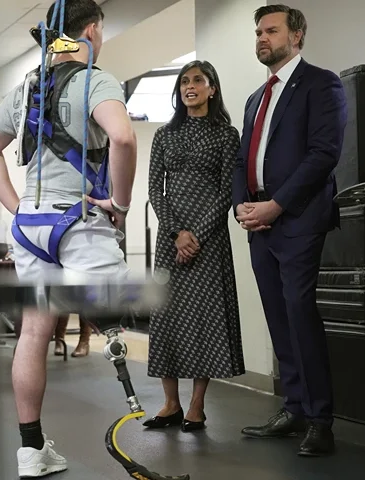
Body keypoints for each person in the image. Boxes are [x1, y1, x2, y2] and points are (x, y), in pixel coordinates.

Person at [0, 1, 137, 476]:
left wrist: (16, 207)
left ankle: (31, 451)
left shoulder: (26, 88)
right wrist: (122, 207)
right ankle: (154, 413)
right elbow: (123, 138)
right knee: (123, 308)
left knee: (34, 331)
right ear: (91, 30)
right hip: (79, 222)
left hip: (30, 229)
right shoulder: (96, 78)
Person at [233, 4, 347, 457]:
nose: (261, 37)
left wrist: (276, 206)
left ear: (296, 36)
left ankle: (321, 420)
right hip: (259, 225)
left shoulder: (322, 84)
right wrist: (243, 204)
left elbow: (323, 154)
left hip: (297, 220)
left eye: (271, 30)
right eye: (258, 31)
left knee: (300, 314)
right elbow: (245, 157)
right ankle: (294, 407)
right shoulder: (254, 99)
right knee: (278, 318)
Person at [143, 60, 244, 433]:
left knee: (206, 319)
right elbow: (156, 189)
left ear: (212, 88)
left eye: (198, 80)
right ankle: (170, 403)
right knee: (167, 316)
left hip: (210, 239)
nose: (190, 86)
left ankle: (196, 408)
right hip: (172, 240)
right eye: (184, 81)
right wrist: (177, 233)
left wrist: (197, 234)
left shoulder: (225, 135)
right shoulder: (164, 136)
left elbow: (226, 192)